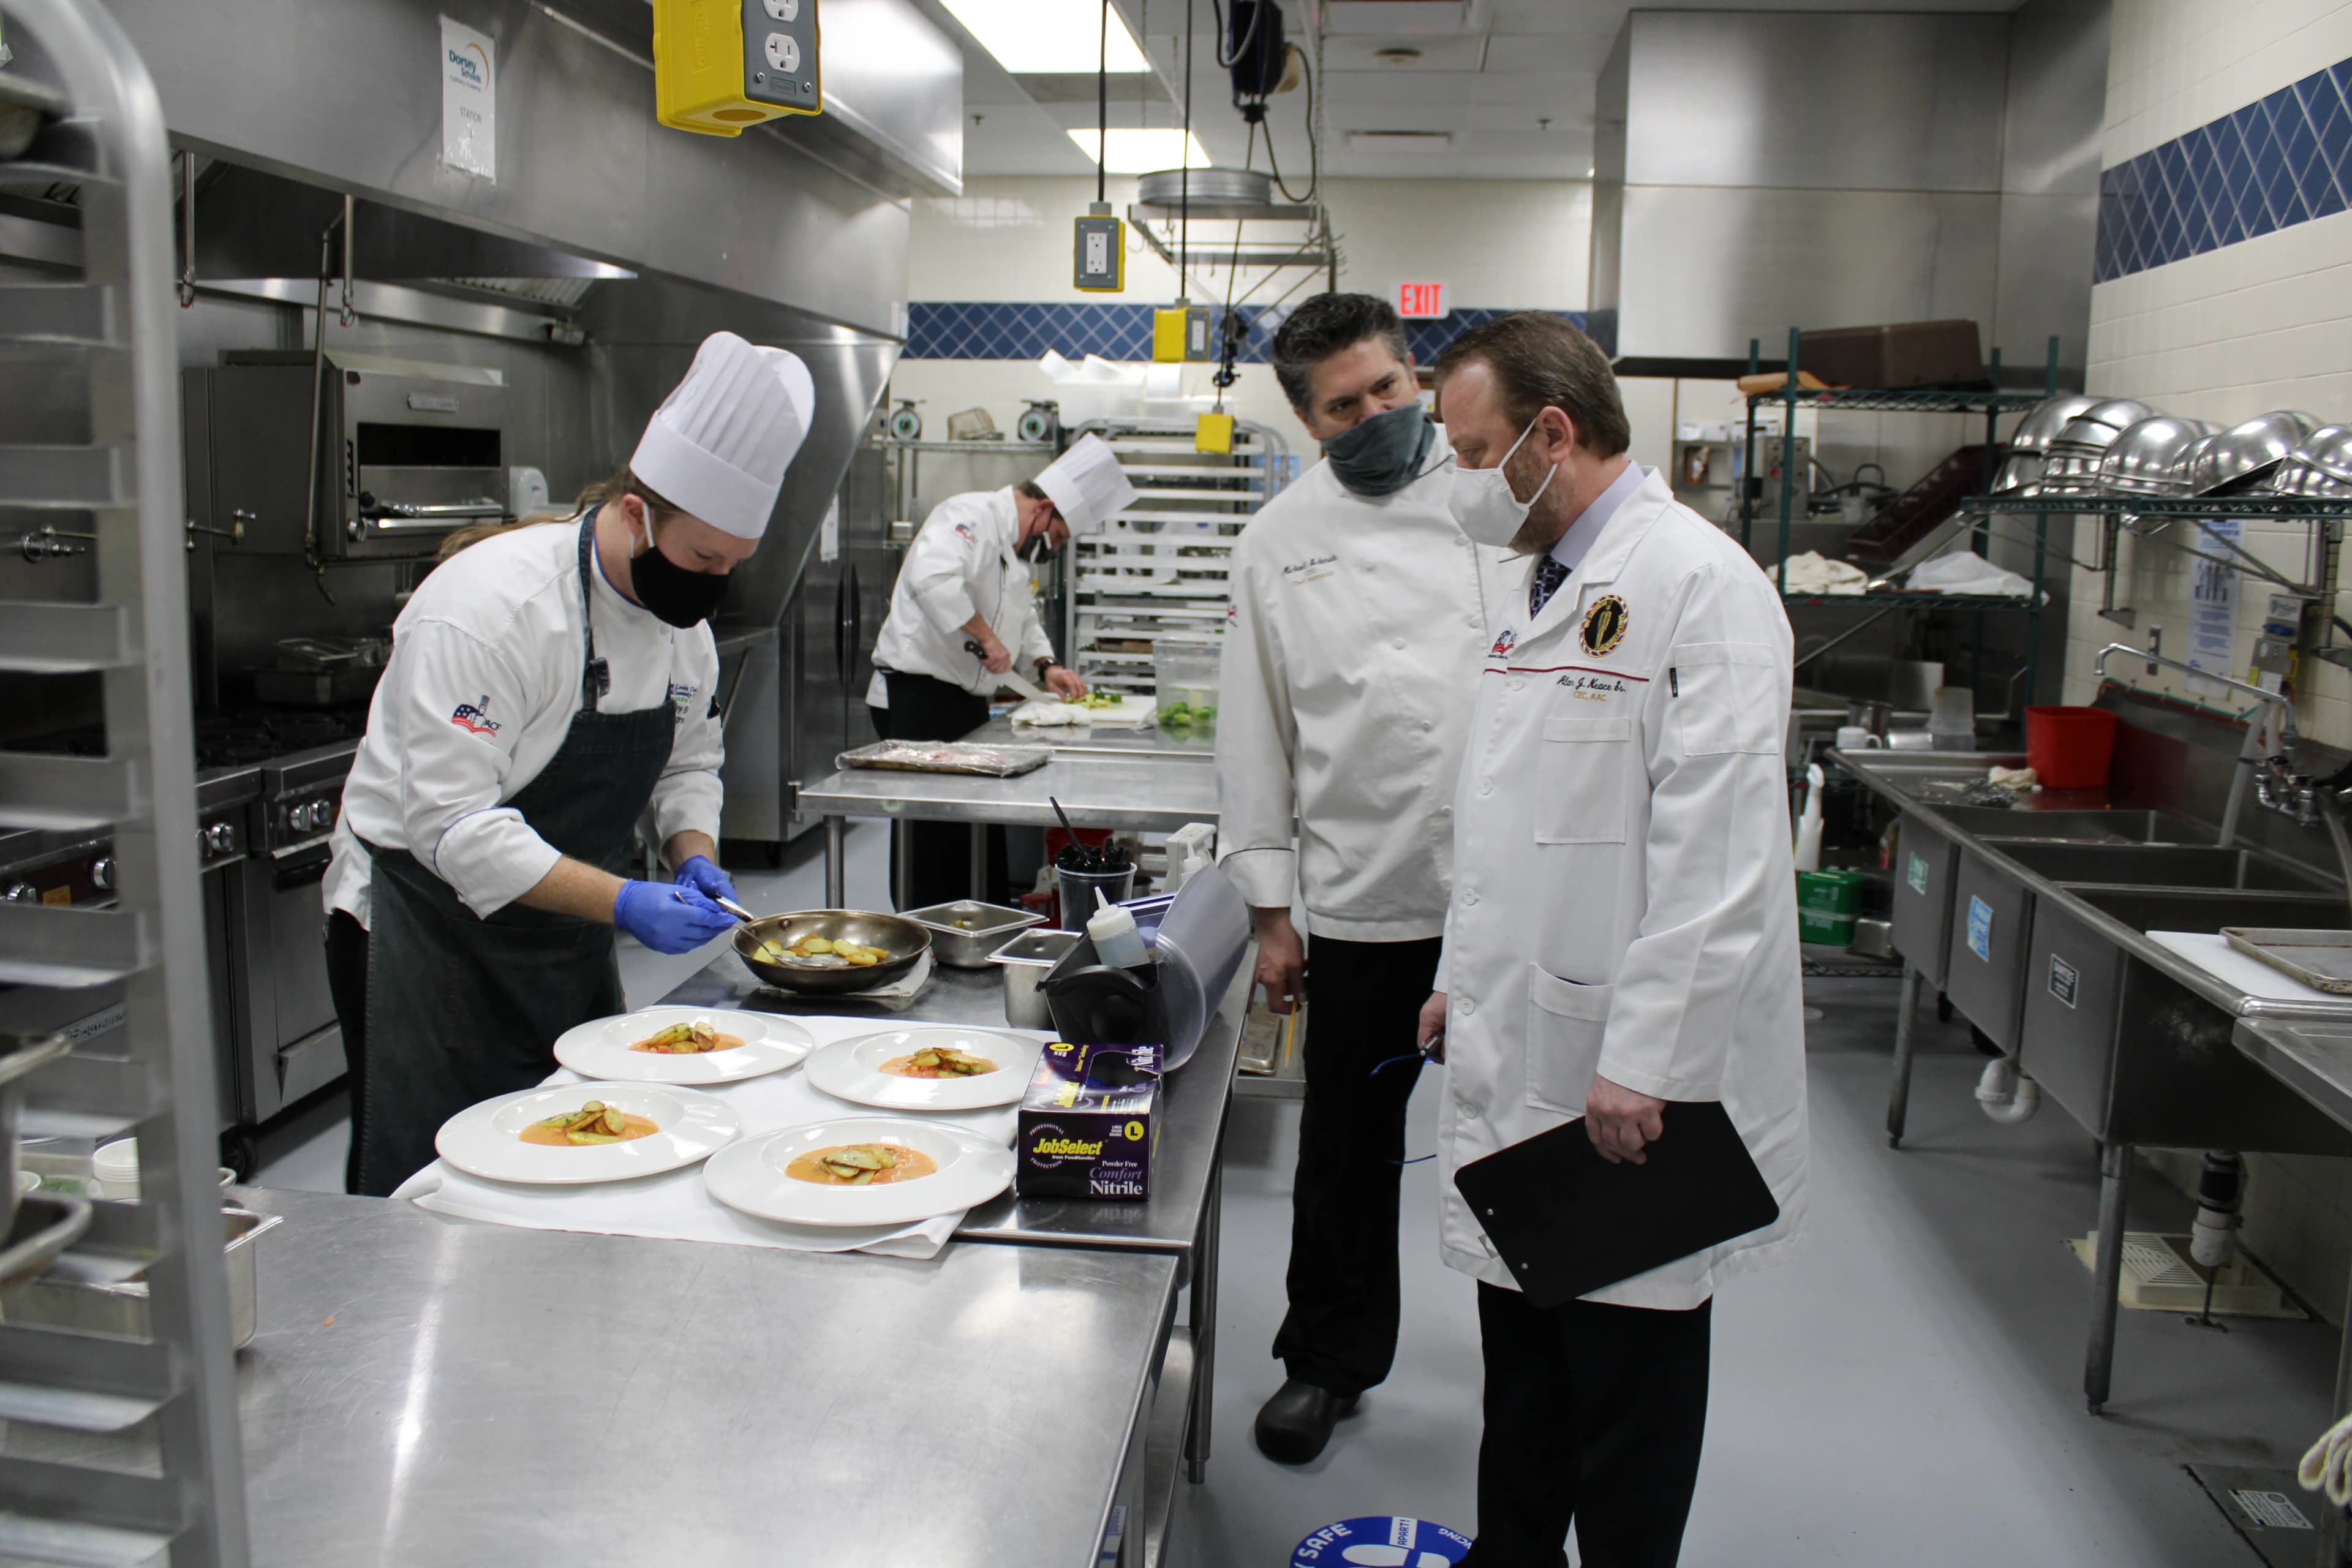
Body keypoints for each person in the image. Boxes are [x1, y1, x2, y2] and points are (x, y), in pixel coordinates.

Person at [1420, 312, 1809, 1567]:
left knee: (1626, 1383)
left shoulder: (1702, 588)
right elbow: (1510, 820)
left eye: (1473, 449)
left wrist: (1649, 1060)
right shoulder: (1543, 584)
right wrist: (1451, 979)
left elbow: (1723, 867)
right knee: (1524, 1353)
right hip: (1526, 1035)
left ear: (1552, 433)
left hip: (1626, 1075)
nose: (1459, 478)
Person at [323, 331, 816, 1197]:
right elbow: (452, 827)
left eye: (731, 566)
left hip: (560, 927)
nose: (712, 583)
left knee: (581, 1149)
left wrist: (691, 853)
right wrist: (624, 900)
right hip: (426, 932)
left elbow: (687, 762)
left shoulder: (682, 631)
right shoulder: (488, 608)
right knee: (434, 1184)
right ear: (637, 513)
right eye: (703, 558)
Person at [1215, 292, 1509, 1464]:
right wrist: (1272, 912)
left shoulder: (1504, 504)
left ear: (1417, 374)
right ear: (1307, 419)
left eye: (1390, 388)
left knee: (1530, 1142)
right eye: (1346, 405)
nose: (1377, 414)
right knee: (1347, 1147)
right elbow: (1257, 736)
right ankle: (1327, 1361)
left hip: (1511, 894)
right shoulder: (1278, 540)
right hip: (1364, 895)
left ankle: (1542, 1372)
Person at [867, 432, 1137, 908]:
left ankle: (981, 917)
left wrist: (1046, 665)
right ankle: (927, 929)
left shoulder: (1012, 555)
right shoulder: (967, 516)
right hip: (916, 696)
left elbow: (1022, 618)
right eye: (1056, 537)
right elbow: (931, 580)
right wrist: (984, 636)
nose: (1051, 548)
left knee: (975, 821)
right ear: (1044, 508)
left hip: (963, 703)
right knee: (931, 834)